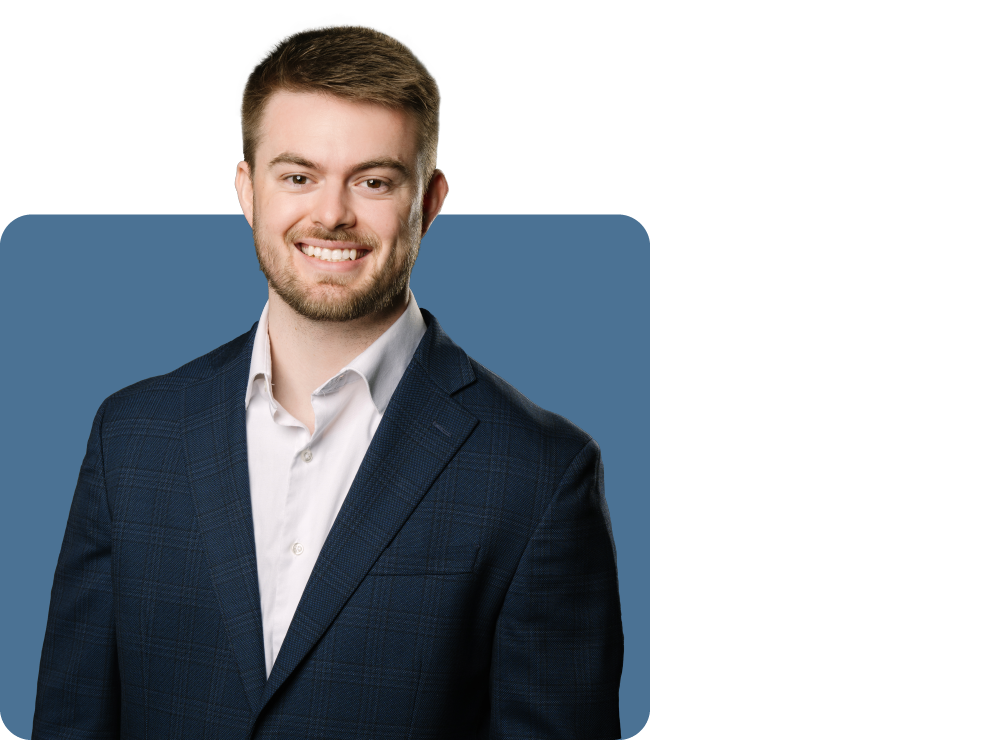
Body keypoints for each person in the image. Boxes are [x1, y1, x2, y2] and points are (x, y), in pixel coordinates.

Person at [32, 15, 623, 740]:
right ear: (248, 189)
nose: (332, 214)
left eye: (373, 180)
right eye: (299, 176)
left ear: (429, 202)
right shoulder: (130, 437)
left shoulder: (539, 474)